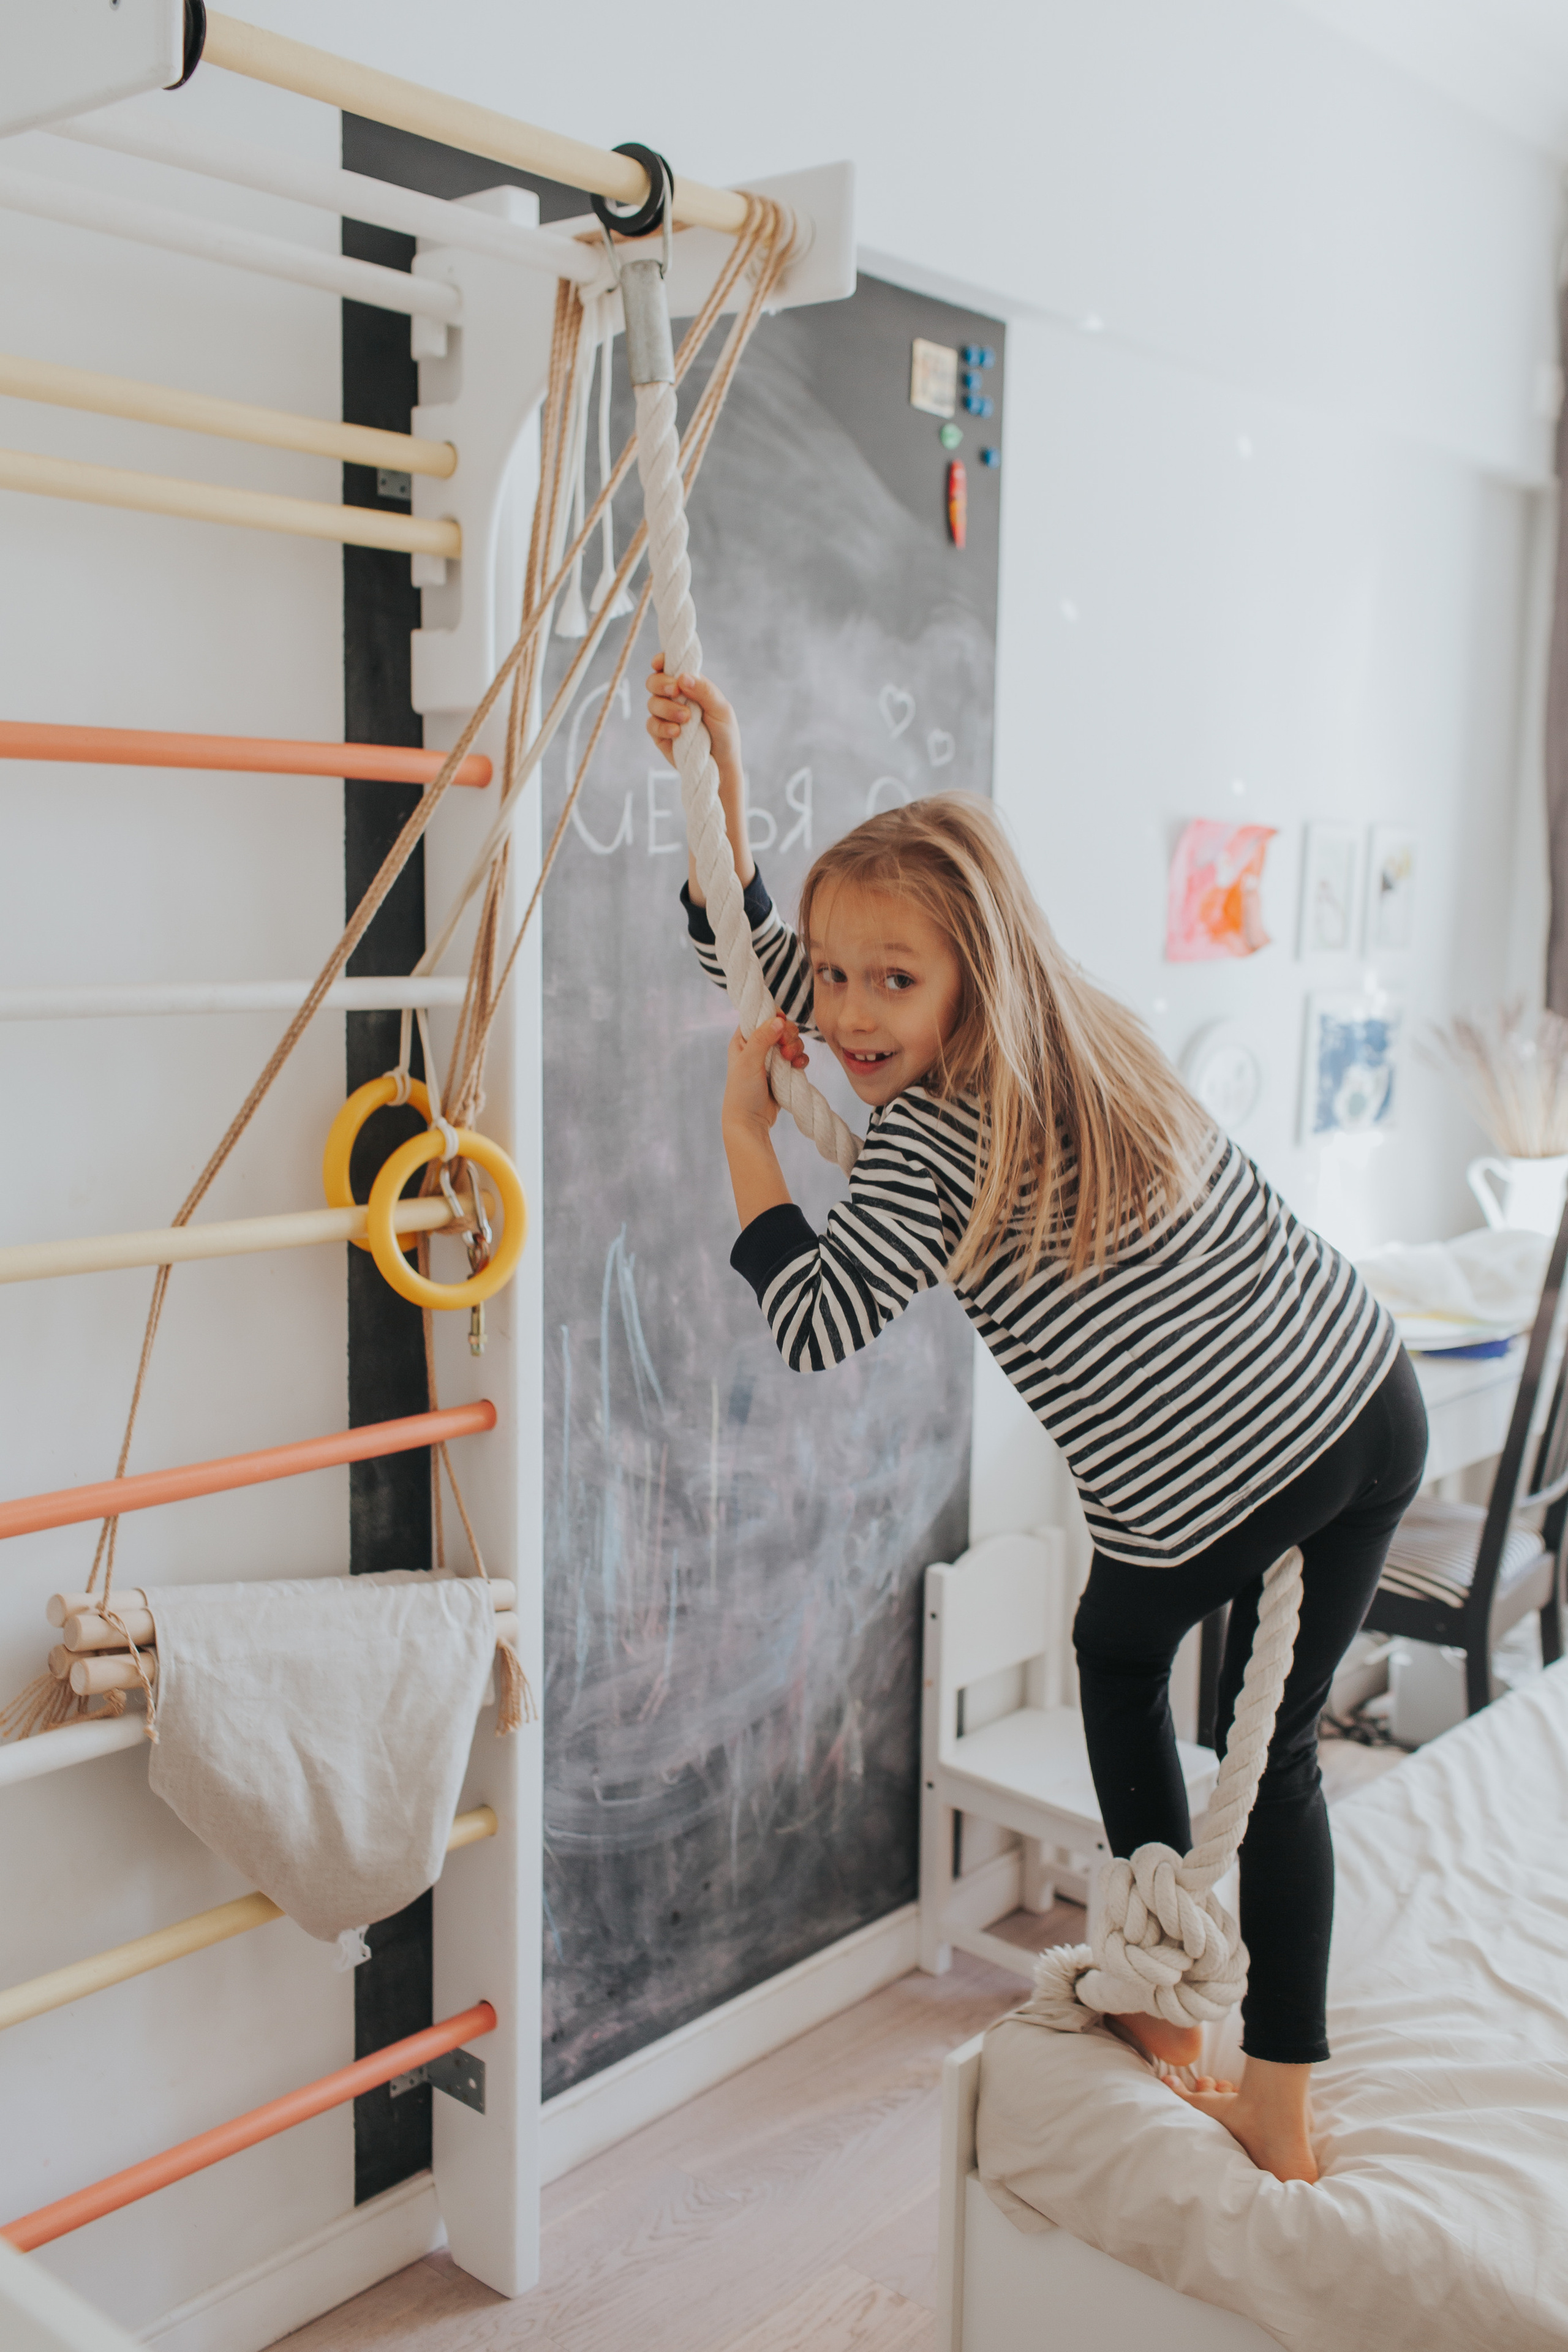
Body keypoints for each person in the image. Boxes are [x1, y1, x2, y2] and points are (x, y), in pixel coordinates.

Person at [646, 658, 1427, 2184]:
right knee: (1271, 1761)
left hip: (1231, 1478)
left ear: (962, 980)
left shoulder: (927, 1142)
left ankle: (1162, 2014)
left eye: (891, 983)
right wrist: (718, 782)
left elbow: (808, 1322)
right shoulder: (1091, 1035)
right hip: (1365, 1398)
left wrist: (746, 1140)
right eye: (838, 973)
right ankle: (1277, 2099)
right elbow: (750, 965)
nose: (849, 1016)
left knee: (1124, 1665)